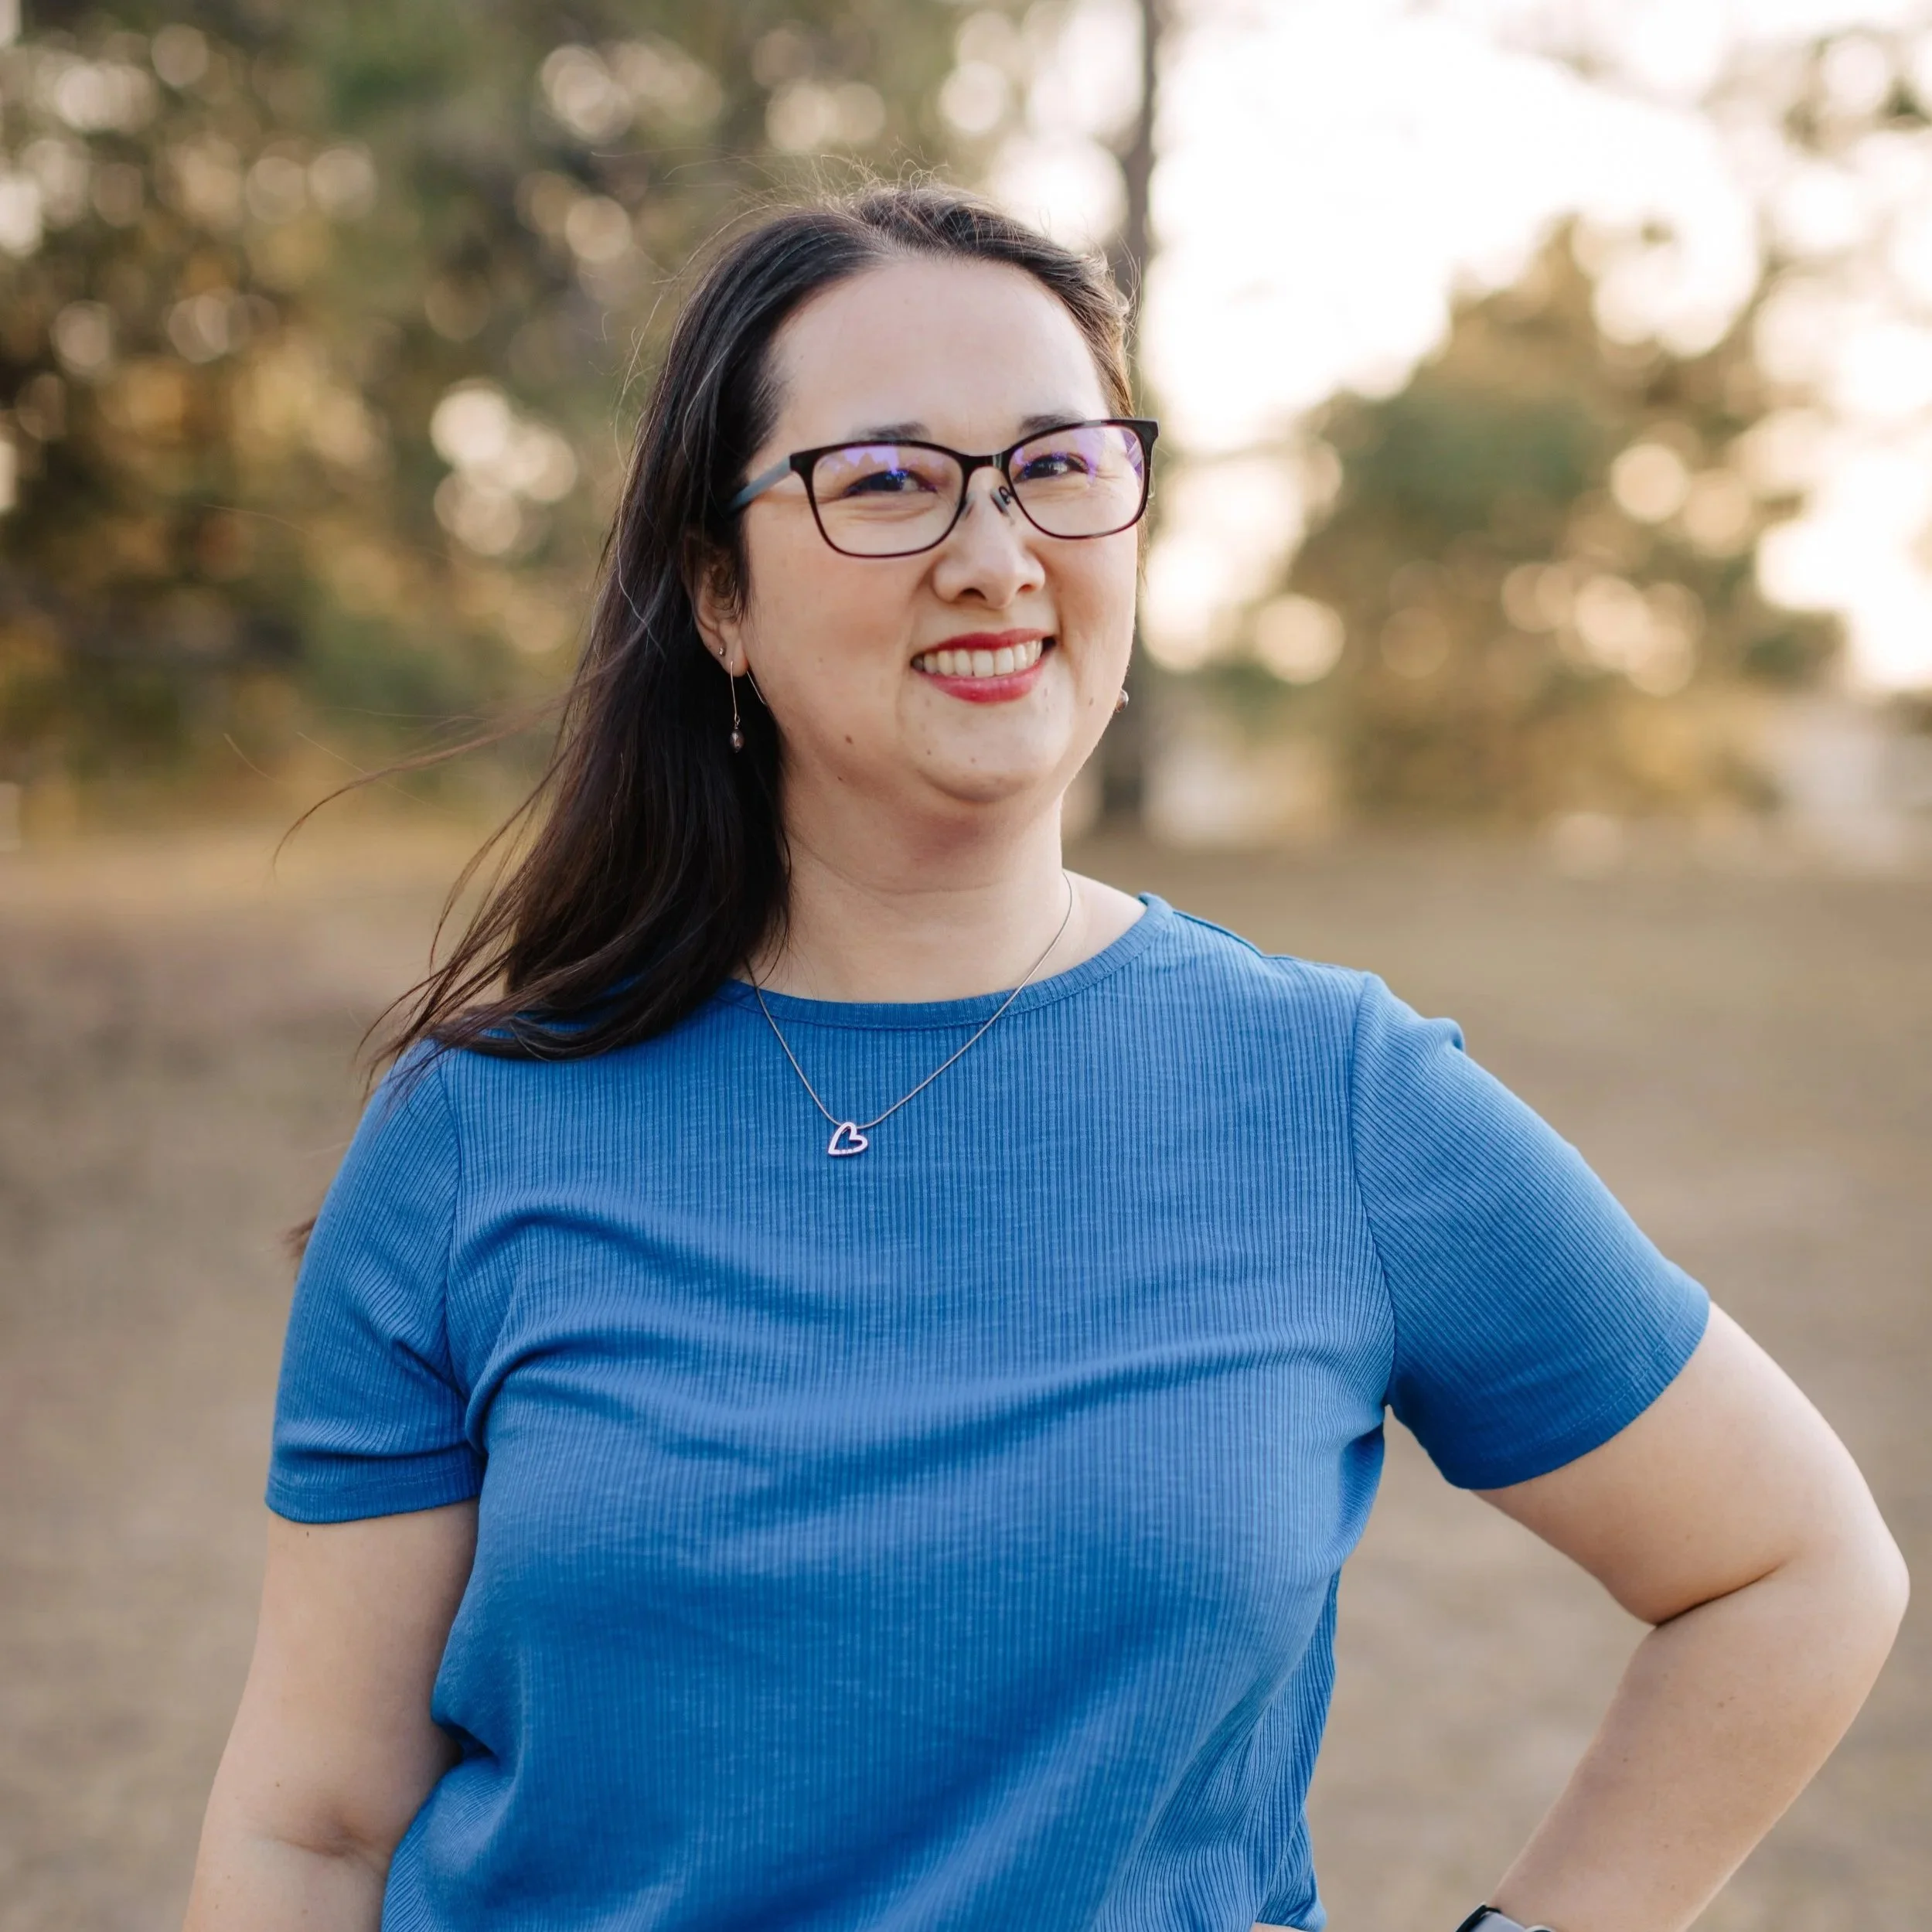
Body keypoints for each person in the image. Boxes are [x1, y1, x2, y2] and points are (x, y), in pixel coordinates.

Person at [183, 186, 1906, 1932]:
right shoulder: (478, 1132)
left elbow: (1791, 1569)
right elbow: (313, 1827)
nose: (997, 551)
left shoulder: (1334, 1098)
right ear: (718, 592)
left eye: (1060, 466)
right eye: (885, 480)